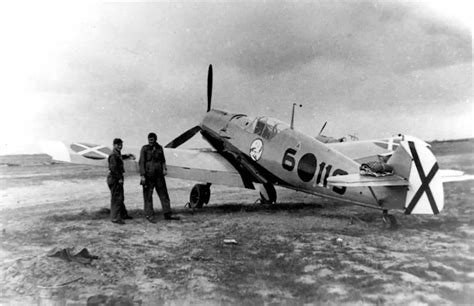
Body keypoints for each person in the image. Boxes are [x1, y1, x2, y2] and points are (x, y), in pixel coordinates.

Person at [139, 132, 180, 222]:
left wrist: (164, 169)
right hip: (148, 176)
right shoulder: (144, 148)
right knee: (148, 196)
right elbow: (141, 162)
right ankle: (149, 215)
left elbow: (163, 160)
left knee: (164, 195)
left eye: (152, 140)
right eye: (149, 140)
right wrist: (142, 175)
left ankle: (167, 214)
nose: (150, 142)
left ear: (155, 139)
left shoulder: (160, 148)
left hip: (159, 176)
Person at [107, 138, 132, 224]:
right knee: (116, 198)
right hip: (115, 178)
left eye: (121, 145)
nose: (120, 146)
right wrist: (119, 178)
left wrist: (127, 156)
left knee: (120, 197)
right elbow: (113, 168)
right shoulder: (113, 155)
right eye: (118, 145)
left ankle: (123, 214)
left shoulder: (117, 153)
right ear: (114, 145)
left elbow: (120, 158)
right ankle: (114, 218)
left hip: (115, 178)